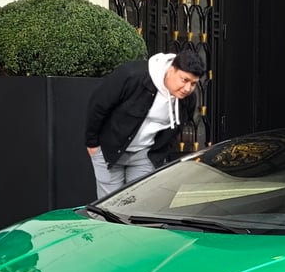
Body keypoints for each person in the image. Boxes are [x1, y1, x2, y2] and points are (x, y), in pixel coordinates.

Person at [85, 48, 204, 195]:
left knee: (139, 201)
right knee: (110, 203)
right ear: (170, 70)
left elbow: (176, 131)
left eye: (193, 84)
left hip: (145, 155)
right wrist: (92, 144)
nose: (187, 88)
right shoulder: (132, 75)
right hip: (109, 150)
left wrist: (159, 155)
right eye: (184, 80)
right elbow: (99, 105)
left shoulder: (188, 100)